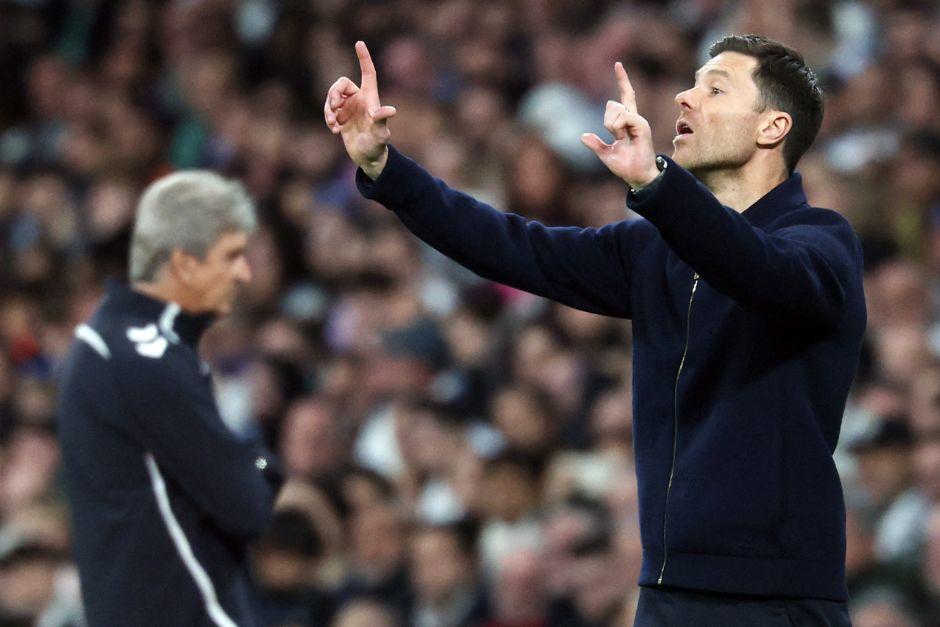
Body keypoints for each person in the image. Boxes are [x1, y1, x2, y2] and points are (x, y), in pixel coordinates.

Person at [325, 35, 865, 625]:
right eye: (692, 83)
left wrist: (659, 187)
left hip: (775, 598)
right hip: (667, 590)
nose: (685, 97)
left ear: (772, 127)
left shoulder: (821, 241)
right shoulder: (653, 248)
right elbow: (514, 247)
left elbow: (758, 270)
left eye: (715, 88)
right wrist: (386, 168)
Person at [56, 171, 283, 626]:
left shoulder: (106, 343)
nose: (244, 273)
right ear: (185, 264)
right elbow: (249, 505)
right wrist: (260, 460)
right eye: (232, 255)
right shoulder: (146, 357)